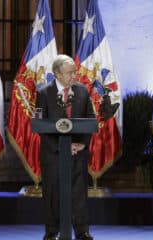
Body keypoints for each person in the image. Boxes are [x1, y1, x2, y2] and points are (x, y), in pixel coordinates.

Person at [36, 54, 95, 240]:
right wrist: (61, 147)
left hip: (78, 152)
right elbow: (40, 127)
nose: (74, 76)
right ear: (57, 74)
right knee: (52, 193)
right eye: (69, 73)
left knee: (79, 193)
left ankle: (82, 231)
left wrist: (82, 144)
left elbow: (91, 121)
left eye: (74, 72)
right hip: (52, 154)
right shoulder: (44, 93)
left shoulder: (83, 91)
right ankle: (52, 231)